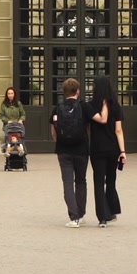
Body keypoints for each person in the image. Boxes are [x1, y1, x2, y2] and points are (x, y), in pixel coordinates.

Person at [87, 76, 126, 227]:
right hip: (113, 149)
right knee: (111, 181)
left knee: (98, 182)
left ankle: (102, 217)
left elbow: (92, 125)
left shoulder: (91, 106)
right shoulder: (116, 106)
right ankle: (112, 211)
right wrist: (122, 151)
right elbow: (118, 130)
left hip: (97, 148)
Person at [51, 78, 89, 227]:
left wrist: (60, 141)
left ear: (64, 92)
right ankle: (81, 213)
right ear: (78, 92)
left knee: (67, 182)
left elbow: (54, 130)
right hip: (81, 149)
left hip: (63, 150)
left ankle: (73, 217)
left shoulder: (58, 108)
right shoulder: (83, 107)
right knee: (81, 181)